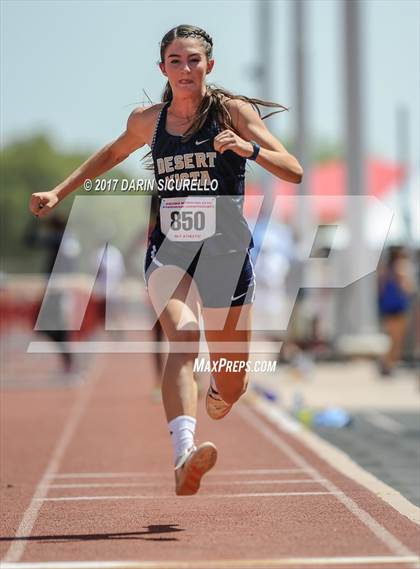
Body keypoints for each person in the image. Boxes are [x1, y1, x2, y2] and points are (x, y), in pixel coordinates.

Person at [29, 24, 303, 496]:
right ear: (163, 69)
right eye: (175, 61)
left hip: (226, 255)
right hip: (170, 251)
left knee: (233, 384)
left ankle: (220, 394)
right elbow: (111, 153)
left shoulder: (232, 114)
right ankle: (183, 453)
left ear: (209, 66)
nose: (185, 69)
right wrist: (59, 191)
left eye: (193, 60)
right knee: (183, 336)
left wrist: (248, 148)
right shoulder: (149, 121)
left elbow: (293, 170)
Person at [377, 246, 414, 376]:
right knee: (397, 340)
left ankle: (387, 364)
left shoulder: (385, 270)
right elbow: (407, 288)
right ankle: (388, 364)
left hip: (388, 309)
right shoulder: (400, 268)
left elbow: (380, 291)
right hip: (398, 309)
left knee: (392, 339)